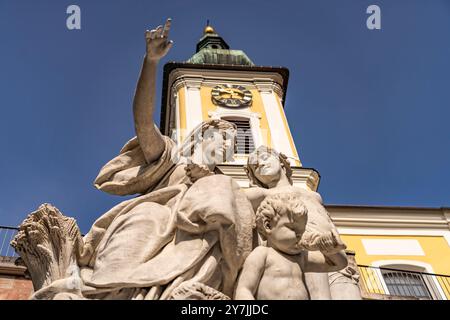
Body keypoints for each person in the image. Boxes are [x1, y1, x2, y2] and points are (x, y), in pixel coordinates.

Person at [72, 18, 254, 300]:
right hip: (154, 220)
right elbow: (143, 121)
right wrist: (151, 62)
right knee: (121, 266)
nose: (230, 146)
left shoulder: (226, 184)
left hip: (201, 236)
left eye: (234, 142)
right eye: (224, 137)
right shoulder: (169, 156)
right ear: (202, 135)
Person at [235, 193, 347, 300]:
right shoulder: (262, 253)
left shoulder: (301, 257)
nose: (300, 235)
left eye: (302, 230)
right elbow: (244, 289)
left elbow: (338, 264)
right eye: (293, 228)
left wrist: (329, 250)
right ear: (268, 225)